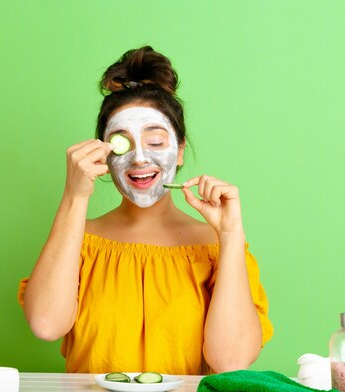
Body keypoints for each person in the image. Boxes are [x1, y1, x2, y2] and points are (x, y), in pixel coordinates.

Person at [18, 46, 273, 375]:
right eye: (123, 142)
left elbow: (231, 361)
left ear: (179, 151)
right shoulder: (80, 242)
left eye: (155, 142)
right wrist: (74, 195)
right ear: (104, 155)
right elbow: (45, 324)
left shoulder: (214, 247)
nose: (140, 159)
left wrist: (230, 234)